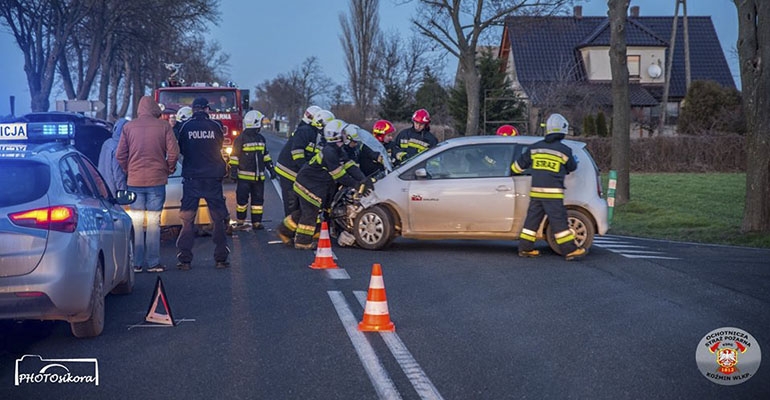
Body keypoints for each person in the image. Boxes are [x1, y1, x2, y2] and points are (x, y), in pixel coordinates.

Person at [277, 119, 368, 250]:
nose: (345, 134)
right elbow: (338, 175)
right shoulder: (330, 152)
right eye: (343, 132)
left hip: (313, 183)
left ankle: (283, 231)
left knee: (303, 212)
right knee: (310, 213)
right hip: (308, 185)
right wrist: (356, 185)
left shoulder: (338, 150)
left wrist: (363, 180)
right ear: (336, 135)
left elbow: (350, 166)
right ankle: (303, 242)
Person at [116, 96, 180, 273]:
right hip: (157, 181)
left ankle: (136, 264)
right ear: (154, 109)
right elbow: (174, 153)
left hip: (134, 182)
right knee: (153, 222)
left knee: (136, 224)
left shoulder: (128, 127)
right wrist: (169, 168)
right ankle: (153, 263)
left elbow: (120, 155)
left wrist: (129, 170)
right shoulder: (164, 126)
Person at [511, 113, 586, 261]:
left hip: (536, 192)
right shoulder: (564, 150)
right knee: (559, 222)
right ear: (562, 132)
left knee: (531, 221)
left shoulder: (534, 148)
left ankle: (525, 248)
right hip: (553, 194)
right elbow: (572, 167)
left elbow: (516, 168)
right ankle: (569, 250)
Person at [175, 97, 231, 270]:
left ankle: (185, 259)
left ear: (193, 110)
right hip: (213, 178)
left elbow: (182, 149)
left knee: (187, 219)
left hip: (192, 178)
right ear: (207, 109)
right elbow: (219, 145)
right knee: (218, 218)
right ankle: (220, 258)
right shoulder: (216, 126)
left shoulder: (185, 127)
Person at [274, 106, 334, 216]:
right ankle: (288, 229)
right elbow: (297, 153)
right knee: (292, 202)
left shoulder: (318, 136)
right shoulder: (305, 131)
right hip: (289, 171)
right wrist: (306, 170)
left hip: (299, 172)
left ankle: (295, 225)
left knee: (300, 201)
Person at [228, 110, 274, 231]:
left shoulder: (261, 138)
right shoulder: (240, 139)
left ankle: (257, 222)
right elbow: (234, 156)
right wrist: (233, 171)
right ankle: (241, 221)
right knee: (242, 200)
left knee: (258, 201)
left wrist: (271, 168)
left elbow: (265, 155)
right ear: (255, 123)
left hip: (259, 178)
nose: (261, 124)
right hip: (244, 178)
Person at [97, 117, 129, 195]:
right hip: (114, 191)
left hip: (103, 188)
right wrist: (123, 192)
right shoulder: (119, 147)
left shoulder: (107, 143)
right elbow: (118, 174)